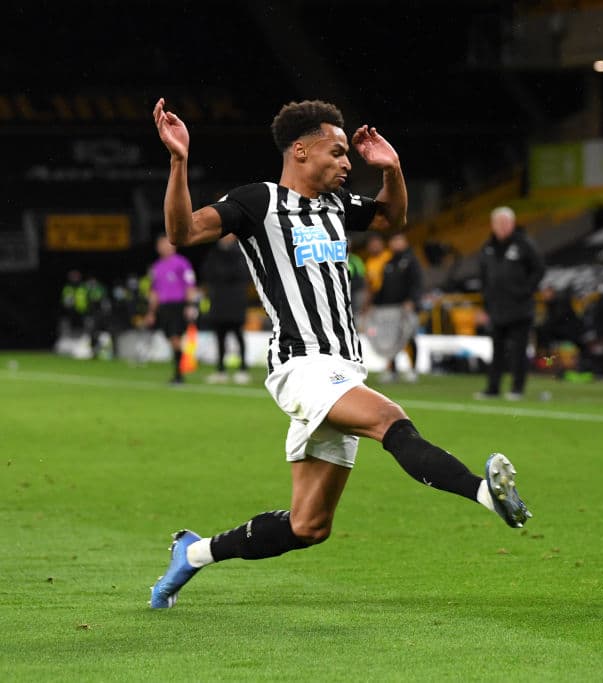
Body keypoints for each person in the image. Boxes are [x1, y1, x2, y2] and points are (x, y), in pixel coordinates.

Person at [149, 97, 530, 609]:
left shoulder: (337, 204)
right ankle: (486, 493)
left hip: (344, 367)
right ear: (300, 151)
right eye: (337, 152)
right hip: (301, 365)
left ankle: (193, 554)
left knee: (309, 526)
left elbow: (393, 219)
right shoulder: (257, 203)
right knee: (389, 419)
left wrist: (392, 169)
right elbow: (182, 231)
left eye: (349, 154)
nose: (348, 163)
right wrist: (179, 161)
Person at [476, 206, 545, 400]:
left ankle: (517, 388)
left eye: (505, 222)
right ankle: (493, 388)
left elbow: (539, 269)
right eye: (498, 223)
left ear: (512, 224)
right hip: (496, 309)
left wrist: (525, 290)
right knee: (496, 350)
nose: (502, 227)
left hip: (520, 308)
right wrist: (485, 305)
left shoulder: (523, 244)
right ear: (493, 225)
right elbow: (483, 278)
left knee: (518, 351)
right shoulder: (487, 247)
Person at [365, 232, 423, 382]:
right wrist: (374, 304)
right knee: (392, 339)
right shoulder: (389, 263)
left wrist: (412, 300)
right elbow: (383, 287)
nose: (396, 244)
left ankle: (413, 369)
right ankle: (392, 370)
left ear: (405, 242)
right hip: (390, 309)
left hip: (406, 307)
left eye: (399, 240)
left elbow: (417, 283)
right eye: (394, 241)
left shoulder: (411, 261)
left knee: (409, 337)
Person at [144, 235, 198, 383]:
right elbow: (154, 292)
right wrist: (151, 312)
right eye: (161, 244)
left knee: (175, 338)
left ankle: (179, 374)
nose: (165, 247)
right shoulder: (156, 267)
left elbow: (190, 286)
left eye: (167, 244)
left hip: (178, 306)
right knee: (171, 338)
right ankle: (178, 371)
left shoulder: (182, 263)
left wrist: (190, 305)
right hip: (164, 307)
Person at [202, 233, 251, 384]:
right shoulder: (213, 253)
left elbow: (244, 274)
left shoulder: (241, 252)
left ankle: (243, 369)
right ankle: (220, 370)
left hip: (235, 301)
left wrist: (222, 275)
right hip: (218, 301)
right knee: (220, 336)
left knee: (238, 335)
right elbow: (206, 273)